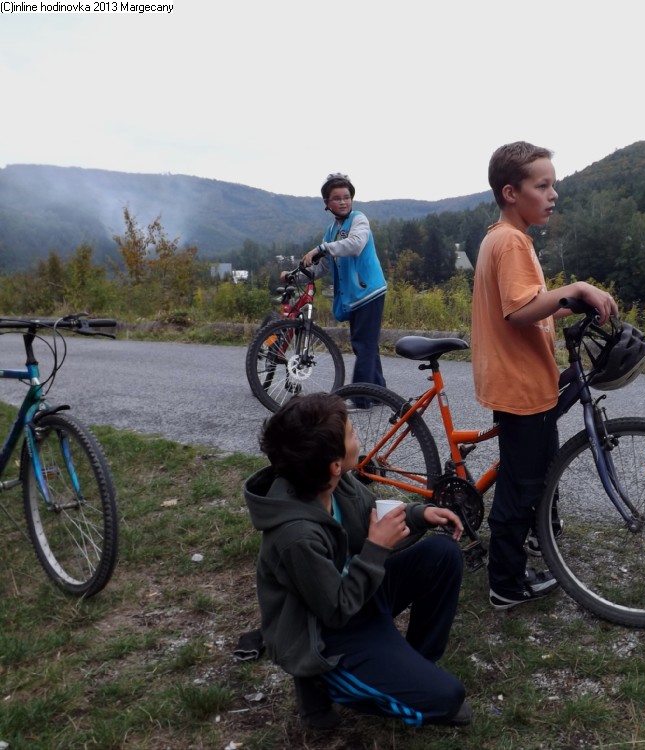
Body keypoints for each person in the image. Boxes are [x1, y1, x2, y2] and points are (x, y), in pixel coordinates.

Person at [244, 392, 471, 729]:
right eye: (352, 433)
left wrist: (420, 514)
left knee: (443, 555)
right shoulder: (296, 537)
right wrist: (376, 549)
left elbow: (371, 515)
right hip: (327, 633)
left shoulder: (333, 483)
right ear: (334, 464)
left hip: (359, 595)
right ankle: (319, 682)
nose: (358, 437)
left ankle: (416, 664)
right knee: (447, 700)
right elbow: (336, 610)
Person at [471, 141, 618, 610]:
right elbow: (518, 311)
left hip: (522, 380)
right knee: (521, 485)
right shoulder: (511, 241)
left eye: (553, 184)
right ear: (511, 192)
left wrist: (569, 301)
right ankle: (506, 583)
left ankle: (536, 537)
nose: (553, 194)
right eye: (543, 185)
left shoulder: (504, 237)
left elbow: (532, 305)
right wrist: (576, 287)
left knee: (532, 474)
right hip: (519, 385)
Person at [297, 173, 387, 409]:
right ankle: (379, 393)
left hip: (369, 291)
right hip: (354, 297)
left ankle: (361, 398)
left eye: (347, 197)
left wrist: (321, 248)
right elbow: (323, 266)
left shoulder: (359, 219)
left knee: (363, 345)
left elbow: (356, 245)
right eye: (337, 198)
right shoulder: (331, 231)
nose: (343, 202)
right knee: (367, 344)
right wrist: (296, 275)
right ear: (327, 203)